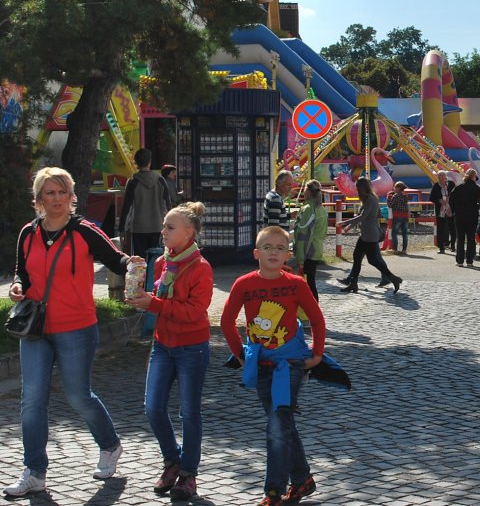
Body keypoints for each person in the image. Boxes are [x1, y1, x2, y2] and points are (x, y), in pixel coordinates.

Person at [5, 167, 135, 497]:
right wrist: (18, 286)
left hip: (76, 327)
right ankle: (34, 471)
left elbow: (116, 260)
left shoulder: (84, 231)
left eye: (62, 192)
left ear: (71, 196)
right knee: (32, 399)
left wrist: (133, 265)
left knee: (78, 395)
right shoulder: (28, 233)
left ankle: (110, 444)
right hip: (35, 328)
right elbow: (22, 272)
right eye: (50, 192)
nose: (57, 198)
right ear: (38, 198)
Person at [221, 226, 326, 505]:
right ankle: (302, 479)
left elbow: (317, 319)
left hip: (290, 364)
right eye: (268, 247)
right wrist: (240, 354)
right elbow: (227, 321)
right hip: (261, 364)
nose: (273, 252)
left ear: (287, 255)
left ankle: (274, 492)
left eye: (280, 248)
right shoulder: (243, 284)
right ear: (256, 253)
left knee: (277, 427)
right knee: (282, 423)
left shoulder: (296, 284)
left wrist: (317, 354)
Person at [126, 202, 213, 500]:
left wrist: (153, 303)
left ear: (189, 232)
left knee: (189, 413)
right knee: (152, 407)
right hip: (163, 344)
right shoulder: (164, 262)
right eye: (164, 226)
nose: (163, 231)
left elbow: (194, 311)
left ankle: (188, 473)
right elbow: (160, 299)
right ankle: (172, 460)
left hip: (192, 347)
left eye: (170, 227)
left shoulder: (201, 267)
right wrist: (139, 290)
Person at [338, 177, 402, 292]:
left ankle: (392, 278)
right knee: (357, 256)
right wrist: (350, 226)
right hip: (365, 234)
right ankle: (353, 283)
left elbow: (363, 216)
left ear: (362, 188)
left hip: (370, 234)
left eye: (358, 188)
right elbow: (364, 216)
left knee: (372, 260)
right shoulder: (368, 199)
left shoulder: (371, 199)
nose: (357, 191)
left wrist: (344, 223)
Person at [119, 148, 171, 256]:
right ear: (150, 161)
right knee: (156, 259)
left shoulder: (133, 182)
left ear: (136, 163)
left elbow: (127, 207)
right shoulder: (160, 180)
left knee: (140, 260)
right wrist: (170, 226)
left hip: (138, 228)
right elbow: (167, 206)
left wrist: (122, 229)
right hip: (158, 227)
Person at [294, 180, 327, 302]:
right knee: (310, 282)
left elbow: (303, 235)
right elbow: (323, 232)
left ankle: (313, 309)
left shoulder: (308, 209)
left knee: (308, 284)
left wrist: (300, 259)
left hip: (308, 251)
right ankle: (313, 308)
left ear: (308, 191)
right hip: (316, 248)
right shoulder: (321, 208)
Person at [449, 169, 480, 267]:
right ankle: (470, 261)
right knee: (471, 238)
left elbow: (451, 199)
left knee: (460, 238)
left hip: (460, 215)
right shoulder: (477, 188)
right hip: (472, 216)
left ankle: (460, 261)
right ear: (473, 177)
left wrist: (453, 210)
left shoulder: (458, 187)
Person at [430, 171, 456, 254]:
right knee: (440, 228)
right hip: (440, 211)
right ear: (438, 177)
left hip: (450, 209)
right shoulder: (436, 186)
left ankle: (453, 246)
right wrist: (439, 200)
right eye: (440, 175)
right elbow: (431, 198)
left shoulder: (451, 184)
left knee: (452, 228)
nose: (442, 177)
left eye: (443, 175)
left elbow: (456, 195)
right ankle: (441, 248)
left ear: (446, 176)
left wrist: (450, 199)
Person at [385, 181, 410, 255]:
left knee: (394, 233)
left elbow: (390, 205)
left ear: (398, 188)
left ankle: (395, 249)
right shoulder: (405, 196)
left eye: (395, 187)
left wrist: (388, 198)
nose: (394, 188)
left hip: (397, 216)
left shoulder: (395, 196)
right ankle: (404, 249)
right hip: (405, 216)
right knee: (404, 233)